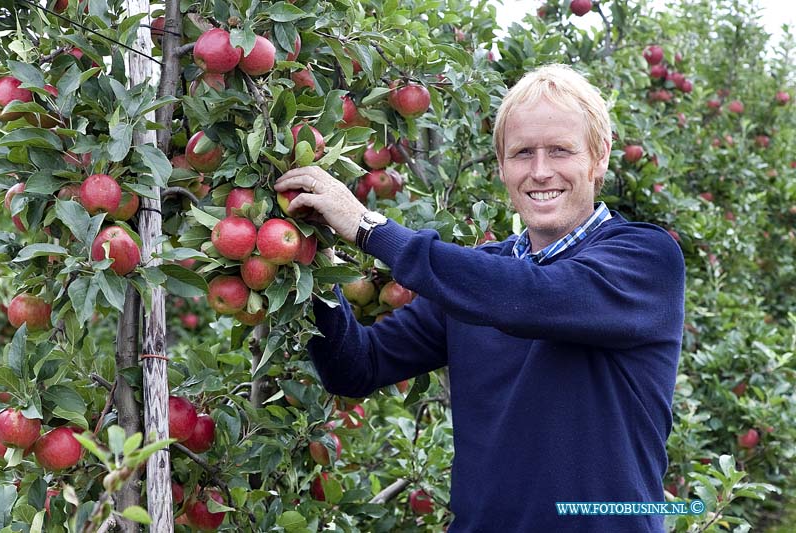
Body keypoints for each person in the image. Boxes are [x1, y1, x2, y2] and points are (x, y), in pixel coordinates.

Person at [274, 63, 685, 533]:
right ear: (502, 167)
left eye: (560, 151)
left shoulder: (646, 258)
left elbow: (530, 297)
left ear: (599, 158)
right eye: (522, 153)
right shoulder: (476, 280)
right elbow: (356, 367)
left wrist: (369, 229)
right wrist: (312, 256)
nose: (540, 171)